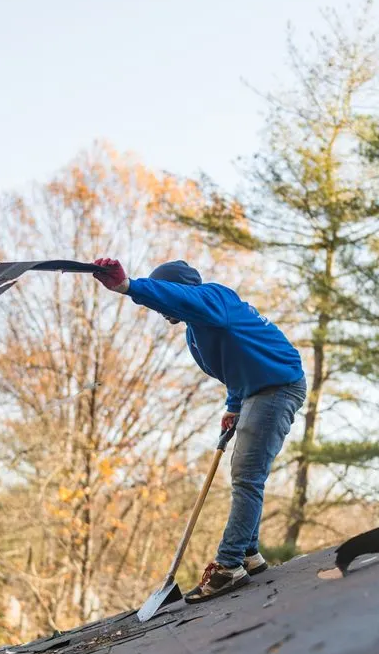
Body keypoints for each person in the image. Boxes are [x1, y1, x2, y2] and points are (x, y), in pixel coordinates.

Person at [93, 258, 307, 603]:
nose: (162, 310)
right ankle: (250, 555)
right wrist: (233, 406)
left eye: (168, 298)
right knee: (244, 475)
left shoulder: (213, 299)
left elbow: (177, 298)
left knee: (247, 477)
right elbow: (234, 367)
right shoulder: (198, 330)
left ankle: (229, 566)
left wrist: (128, 287)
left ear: (181, 291)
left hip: (280, 387)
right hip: (256, 390)